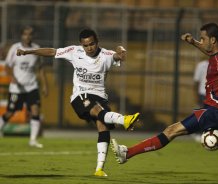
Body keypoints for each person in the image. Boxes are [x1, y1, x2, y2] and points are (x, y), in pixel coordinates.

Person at [111, 23, 218, 183]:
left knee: (171, 131)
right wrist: (193, 42)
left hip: (216, 111)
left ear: (213, 40)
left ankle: (127, 153)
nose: (201, 41)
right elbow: (209, 52)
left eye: (203, 38)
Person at [16, 28, 140, 177]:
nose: (89, 48)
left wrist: (121, 50)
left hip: (100, 96)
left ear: (97, 42)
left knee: (103, 127)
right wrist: (28, 52)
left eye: (92, 44)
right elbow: (52, 52)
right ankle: (123, 119)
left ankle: (99, 169)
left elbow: (118, 55)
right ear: (81, 45)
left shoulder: (106, 55)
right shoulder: (74, 52)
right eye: (86, 45)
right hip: (80, 95)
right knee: (97, 111)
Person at [0, 26, 48, 148]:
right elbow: (7, 66)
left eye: (30, 34)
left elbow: (41, 68)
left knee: (35, 110)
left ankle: (33, 140)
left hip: (31, 86)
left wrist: (45, 85)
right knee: (10, 112)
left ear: (33, 35)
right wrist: (13, 78)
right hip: (17, 88)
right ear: (22, 35)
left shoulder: (36, 49)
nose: (28, 36)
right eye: (25, 34)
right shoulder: (15, 48)